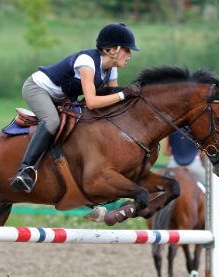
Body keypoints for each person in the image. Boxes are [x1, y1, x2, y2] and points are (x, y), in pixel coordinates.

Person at [11, 23, 141, 192]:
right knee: (51, 121)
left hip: (64, 97)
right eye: (127, 50)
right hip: (37, 88)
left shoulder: (111, 69)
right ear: (112, 50)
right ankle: (25, 171)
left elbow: (111, 97)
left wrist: (133, 96)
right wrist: (124, 94)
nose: (130, 55)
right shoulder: (87, 62)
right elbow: (93, 102)